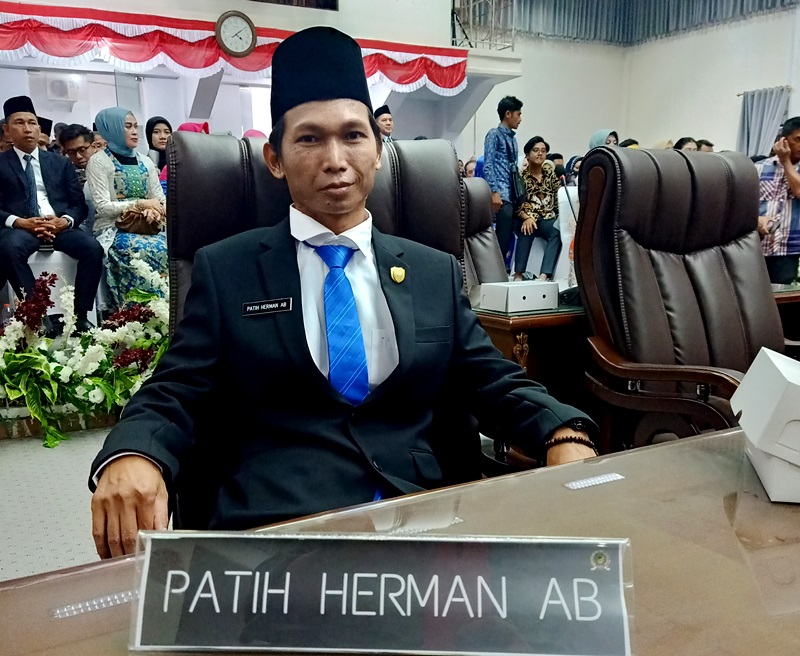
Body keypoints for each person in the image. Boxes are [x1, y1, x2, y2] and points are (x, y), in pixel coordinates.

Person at [88, 26, 597, 559]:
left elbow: (489, 377)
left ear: (377, 150)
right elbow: (177, 388)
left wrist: (562, 431)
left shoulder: (433, 270)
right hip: (278, 532)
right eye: (309, 139)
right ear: (275, 158)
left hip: (417, 521)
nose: (335, 159)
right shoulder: (228, 269)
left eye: (354, 135)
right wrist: (133, 452)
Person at [0, 96, 101, 334]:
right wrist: (19, 222)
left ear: (39, 128)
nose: (27, 129)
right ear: (7, 131)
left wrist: (64, 221)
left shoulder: (60, 163)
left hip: (58, 226)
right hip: (22, 228)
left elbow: (78, 204)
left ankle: (80, 316)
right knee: (9, 248)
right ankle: (39, 317)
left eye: (32, 123)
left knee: (93, 248)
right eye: (19, 123)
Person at [86, 107, 167, 308]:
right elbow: (103, 206)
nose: (134, 132)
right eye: (128, 126)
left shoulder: (146, 161)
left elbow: (160, 199)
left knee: (167, 247)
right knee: (132, 249)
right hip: (114, 227)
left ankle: (164, 312)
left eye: (135, 126)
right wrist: (139, 204)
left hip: (148, 225)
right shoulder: (99, 162)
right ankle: (131, 313)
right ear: (112, 129)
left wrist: (154, 209)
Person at [756, 116, 800, 284]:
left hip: (790, 250)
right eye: (798, 139)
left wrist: (785, 161)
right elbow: (740, 206)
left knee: (784, 297)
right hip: (756, 247)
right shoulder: (758, 168)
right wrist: (756, 220)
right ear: (783, 140)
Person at [512, 137, 561, 282]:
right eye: (536, 150)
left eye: (543, 151)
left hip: (547, 218)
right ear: (527, 154)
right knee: (527, 229)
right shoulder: (520, 178)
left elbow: (558, 198)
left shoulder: (551, 176)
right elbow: (516, 205)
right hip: (526, 217)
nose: (540, 154)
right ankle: (518, 274)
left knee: (556, 231)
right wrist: (526, 217)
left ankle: (544, 274)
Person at [483, 96, 523, 267]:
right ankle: (494, 270)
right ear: (508, 114)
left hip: (512, 195)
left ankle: (505, 269)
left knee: (509, 237)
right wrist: (494, 191)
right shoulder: (494, 134)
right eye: (518, 114)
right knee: (502, 236)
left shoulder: (513, 139)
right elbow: (488, 164)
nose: (520, 119)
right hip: (500, 194)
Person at [59, 123, 98, 232]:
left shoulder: (110, 169)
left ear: (94, 146)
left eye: (82, 149)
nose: (78, 156)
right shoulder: (66, 176)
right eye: (71, 152)